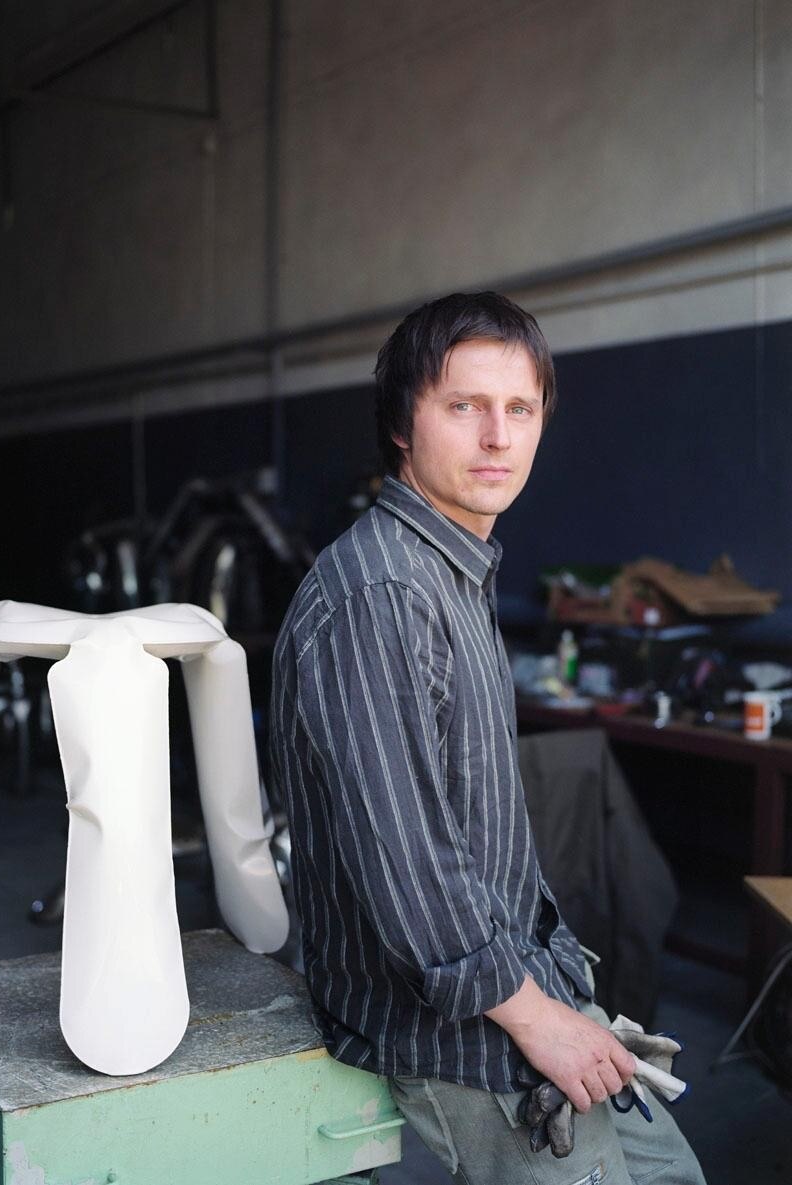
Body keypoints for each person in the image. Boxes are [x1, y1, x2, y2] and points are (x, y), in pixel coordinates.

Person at [269, 292, 705, 1185]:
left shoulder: (452, 569)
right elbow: (412, 866)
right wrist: (540, 1019)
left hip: (522, 981)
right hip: (446, 1020)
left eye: (520, 408)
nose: (497, 437)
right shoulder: (381, 593)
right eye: (464, 406)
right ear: (402, 422)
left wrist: (559, 994)